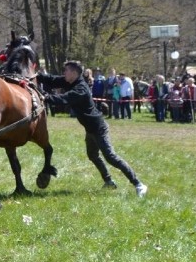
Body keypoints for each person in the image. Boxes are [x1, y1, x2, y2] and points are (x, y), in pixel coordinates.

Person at [37, 61, 147, 197]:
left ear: (74, 73)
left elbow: (64, 98)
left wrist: (45, 97)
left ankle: (138, 184)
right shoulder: (70, 81)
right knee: (93, 155)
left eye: (66, 71)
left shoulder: (81, 88)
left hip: (98, 128)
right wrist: (34, 76)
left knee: (111, 157)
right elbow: (52, 80)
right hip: (90, 129)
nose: (64, 73)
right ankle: (108, 181)